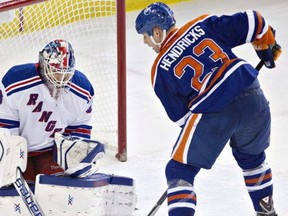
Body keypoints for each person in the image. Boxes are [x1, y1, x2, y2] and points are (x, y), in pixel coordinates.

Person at [135, 2, 281, 216]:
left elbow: (185, 120)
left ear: (157, 32)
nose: (145, 42)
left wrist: (215, 136)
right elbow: (254, 20)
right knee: (252, 160)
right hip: (252, 95)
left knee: (179, 170)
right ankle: (267, 212)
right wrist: (265, 47)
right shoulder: (202, 24)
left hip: (213, 110)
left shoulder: (159, 71)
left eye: (145, 36)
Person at [0, 39, 102, 185]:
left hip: (51, 152)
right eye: (56, 72)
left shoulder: (83, 90)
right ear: (43, 65)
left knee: (58, 191)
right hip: (17, 149)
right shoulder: (16, 81)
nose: (60, 80)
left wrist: (76, 158)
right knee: (14, 193)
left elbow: (78, 129)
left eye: (65, 74)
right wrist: (10, 162)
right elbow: (5, 127)